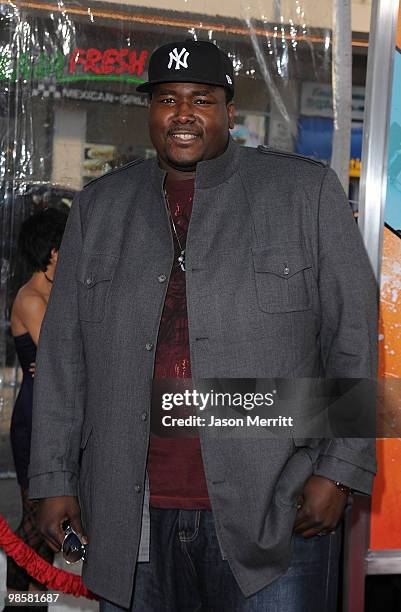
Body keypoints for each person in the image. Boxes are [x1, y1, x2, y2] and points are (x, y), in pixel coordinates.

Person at [28, 40, 377, 612]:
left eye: (202, 99)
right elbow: (65, 358)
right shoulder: (100, 208)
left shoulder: (303, 193)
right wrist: (51, 477)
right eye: (168, 99)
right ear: (150, 112)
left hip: (274, 511)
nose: (183, 114)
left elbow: (353, 340)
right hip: (129, 519)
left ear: (229, 112)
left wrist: (340, 472)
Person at [7, 208, 68, 600]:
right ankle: (21, 598)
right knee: (36, 523)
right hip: (35, 422)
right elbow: (63, 356)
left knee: (46, 528)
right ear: (52, 252)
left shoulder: (55, 294)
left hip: (54, 417)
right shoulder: (30, 298)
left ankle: (29, 598)